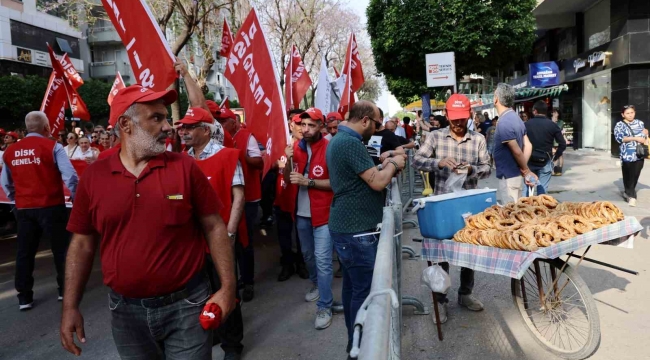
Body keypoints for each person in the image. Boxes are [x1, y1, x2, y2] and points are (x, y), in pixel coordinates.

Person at [61, 85, 236, 359]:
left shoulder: (185, 167)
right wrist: (70, 306)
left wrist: (227, 289)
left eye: (165, 117)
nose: (168, 127)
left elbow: (214, 227)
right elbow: (82, 243)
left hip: (187, 307)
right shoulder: (95, 177)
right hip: (126, 315)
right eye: (156, 118)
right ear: (126, 124)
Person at [326, 100, 406, 356]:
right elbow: (377, 182)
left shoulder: (343, 140)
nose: (378, 128)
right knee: (364, 293)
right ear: (365, 121)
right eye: (376, 123)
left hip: (352, 229)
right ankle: (363, 348)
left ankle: (355, 345)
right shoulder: (349, 143)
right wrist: (396, 163)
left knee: (354, 289)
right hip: (356, 232)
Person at [412, 94, 491, 323]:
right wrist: (437, 163)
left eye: (462, 119)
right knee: (440, 256)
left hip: (470, 206)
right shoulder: (435, 137)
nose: (458, 123)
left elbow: (487, 166)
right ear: (447, 115)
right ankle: (440, 301)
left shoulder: (478, 139)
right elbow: (416, 160)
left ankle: (465, 294)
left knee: (470, 254)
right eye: (454, 119)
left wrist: (472, 170)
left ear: (470, 116)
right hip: (442, 207)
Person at [178, 106, 246, 360]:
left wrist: (229, 234)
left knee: (226, 289)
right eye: (182, 127)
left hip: (220, 240)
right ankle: (214, 330)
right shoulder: (182, 158)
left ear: (205, 131)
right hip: (192, 242)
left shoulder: (228, 156)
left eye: (189, 127)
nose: (182, 131)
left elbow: (238, 196)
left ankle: (232, 345)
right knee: (200, 292)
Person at [1, 111, 78, 310]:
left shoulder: (10, 151)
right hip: (52, 206)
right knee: (61, 250)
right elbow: (70, 176)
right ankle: (64, 290)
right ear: (46, 127)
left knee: (24, 252)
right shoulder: (54, 147)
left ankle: (24, 297)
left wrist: (15, 202)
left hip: (24, 209)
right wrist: (76, 197)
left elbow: (5, 183)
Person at [285, 108, 338, 330]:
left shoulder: (330, 148)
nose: (305, 129)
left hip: (324, 213)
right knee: (308, 256)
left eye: (311, 125)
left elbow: (338, 183)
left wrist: (309, 182)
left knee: (324, 260)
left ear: (321, 127)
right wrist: (287, 161)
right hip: (301, 214)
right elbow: (288, 178)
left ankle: (325, 305)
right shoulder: (296, 147)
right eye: (302, 125)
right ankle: (317, 285)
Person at [216, 105, 263, 302]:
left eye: (223, 121)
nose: (219, 125)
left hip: (249, 198)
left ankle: (248, 281)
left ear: (233, 122)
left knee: (245, 242)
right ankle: (232, 281)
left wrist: (239, 155)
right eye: (217, 121)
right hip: (225, 200)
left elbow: (259, 163)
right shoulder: (216, 140)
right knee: (228, 244)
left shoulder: (247, 137)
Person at [275, 112, 310, 282]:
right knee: (284, 233)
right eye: (299, 124)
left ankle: (302, 263)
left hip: (300, 196)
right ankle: (287, 264)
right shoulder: (279, 143)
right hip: (282, 195)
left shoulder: (307, 146)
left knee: (301, 232)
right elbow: (272, 164)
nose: (303, 128)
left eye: (305, 124)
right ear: (291, 126)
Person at [492, 83, 536, 204]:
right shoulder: (516, 118)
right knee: (517, 210)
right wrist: (523, 167)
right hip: (515, 175)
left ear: (496, 98)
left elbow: (516, 150)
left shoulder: (504, 122)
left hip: (508, 177)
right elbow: (528, 145)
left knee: (510, 214)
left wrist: (525, 169)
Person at [524, 101, 567, 196]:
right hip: (545, 160)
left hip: (529, 162)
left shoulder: (526, 125)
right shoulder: (552, 125)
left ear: (534, 111)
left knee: (527, 190)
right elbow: (563, 144)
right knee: (542, 192)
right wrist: (555, 157)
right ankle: (540, 209)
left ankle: (523, 209)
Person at [614, 105, 648, 207]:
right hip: (627, 153)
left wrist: (646, 133)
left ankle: (627, 192)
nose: (630, 115)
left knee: (636, 174)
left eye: (632, 112)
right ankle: (632, 196)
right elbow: (620, 138)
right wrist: (635, 138)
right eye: (627, 113)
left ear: (635, 112)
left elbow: (644, 135)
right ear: (623, 114)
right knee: (628, 174)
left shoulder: (639, 123)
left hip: (639, 153)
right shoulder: (619, 125)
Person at [551, 109, 566, 176]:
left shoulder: (561, 122)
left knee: (559, 155)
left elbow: (561, 130)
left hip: (558, 140)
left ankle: (559, 170)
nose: (554, 114)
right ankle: (554, 170)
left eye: (556, 112)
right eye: (553, 112)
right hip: (552, 140)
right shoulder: (550, 121)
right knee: (554, 155)